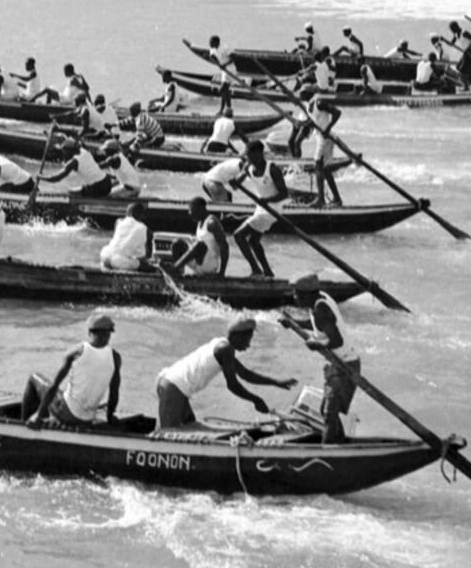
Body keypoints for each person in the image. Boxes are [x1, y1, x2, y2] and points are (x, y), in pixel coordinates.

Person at [153, 315, 296, 429]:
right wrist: (256, 400)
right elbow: (232, 385)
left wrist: (276, 382)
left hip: (177, 387)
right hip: (174, 387)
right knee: (169, 435)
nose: (248, 345)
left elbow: (245, 374)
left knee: (190, 426)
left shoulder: (222, 345)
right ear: (238, 336)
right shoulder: (225, 349)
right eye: (248, 339)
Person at [281, 275, 359, 443]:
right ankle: (339, 443)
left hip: (344, 366)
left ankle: (328, 450)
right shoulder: (319, 300)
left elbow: (337, 340)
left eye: (297, 294)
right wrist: (294, 323)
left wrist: (317, 345)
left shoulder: (320, 309)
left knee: (329, 413)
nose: (294, 298)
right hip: (339, 363)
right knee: (327, 410)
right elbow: (318, 324)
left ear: (307, 294)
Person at [25, 313, 122, 428]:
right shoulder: (115, 357)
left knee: (34, 377)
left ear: (90, 332)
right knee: (61, 394)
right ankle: (49, 417)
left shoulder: (78, 351)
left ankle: (27, 422)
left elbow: (54, 386)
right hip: (88, 418)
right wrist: (110, 417)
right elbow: (114, 392)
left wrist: (38, 414)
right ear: (109, 334)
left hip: (67, 413)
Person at [229, 139, 288, 276]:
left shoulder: (272, 169)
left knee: (238, 235)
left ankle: (256, 269)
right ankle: (267, 271)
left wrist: (267, 200)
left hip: (273, 209)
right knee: (253, 241)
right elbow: (237, 183)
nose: (247, 158)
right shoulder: (249, 167)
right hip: (261, 208)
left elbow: (284, 193)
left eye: (249, 155)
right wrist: (235, 182)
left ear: (259, 154)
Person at [163, 195, 231, 276]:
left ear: (200, 209)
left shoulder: (212, 223)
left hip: (210, 265)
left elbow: (225, 246)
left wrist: (221, 272)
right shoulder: (199, 223)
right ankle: (178, 274)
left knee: (200, 245)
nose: (189, 213)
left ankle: (174, 268)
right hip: (198, 263)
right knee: (177, 244)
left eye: (192, 210)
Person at [38, 136, 115, 197]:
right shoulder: (83, 150)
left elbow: (56, 178)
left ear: (70, 150)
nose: (64, 154)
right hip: (107, 182)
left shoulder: (74, 162)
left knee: (72, 193)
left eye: (64, 151)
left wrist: (41, 177)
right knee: (74, 190)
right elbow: (72, 138)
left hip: (98, 188)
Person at [309, 95, 344, 207]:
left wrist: (328, 128)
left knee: (318, 166)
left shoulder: (319, 103)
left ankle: (321, 199)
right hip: (320, 138)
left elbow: (337, 112)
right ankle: (337, 199)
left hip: (325, 138)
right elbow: (314, 121)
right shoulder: (308, 105)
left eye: (302, 92)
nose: (300, 93)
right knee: (326, 169)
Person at [99, 201, 154, 270]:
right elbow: (143, 256)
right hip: (118, 261)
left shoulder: (119, 222)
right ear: (141, 215)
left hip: (105, 255)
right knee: (144, 266)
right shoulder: (144, 229)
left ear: (128, 213)